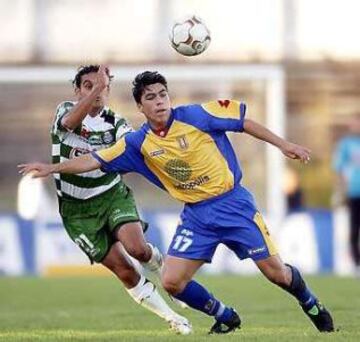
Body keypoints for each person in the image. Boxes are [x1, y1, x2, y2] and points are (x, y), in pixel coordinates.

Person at [19, 71, 334, 334]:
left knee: (276, 273)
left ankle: (310, 302)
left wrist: (284, 144)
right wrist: (52, 168)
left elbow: (243, 121)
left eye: (163, 95)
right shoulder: (137, 143)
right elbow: (93, 160)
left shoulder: (197, 115)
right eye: (151, 98)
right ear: (140, 107)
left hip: (234, 205)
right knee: (171, 281)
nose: (160, 102)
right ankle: (225, 316)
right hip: (197, 216)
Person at [25, 65, 191, 335]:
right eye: (88, 86)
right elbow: (69, 125)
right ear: (77, 91)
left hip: (111, 196)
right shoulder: (65, 112)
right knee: (125, 270)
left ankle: (161, 270)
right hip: (77, 212)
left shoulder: (117, 123)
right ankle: (173, 318)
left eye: (101, 86)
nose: (97, 91)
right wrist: (98, 87)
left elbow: (130, 152)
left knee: (138, 249)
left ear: (109, 91)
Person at [333, 117, 360, 274]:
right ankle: (356, 264)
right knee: (354, 228)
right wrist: (341, 190)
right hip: (354, 191)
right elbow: (339, 168)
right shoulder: (346, 144)